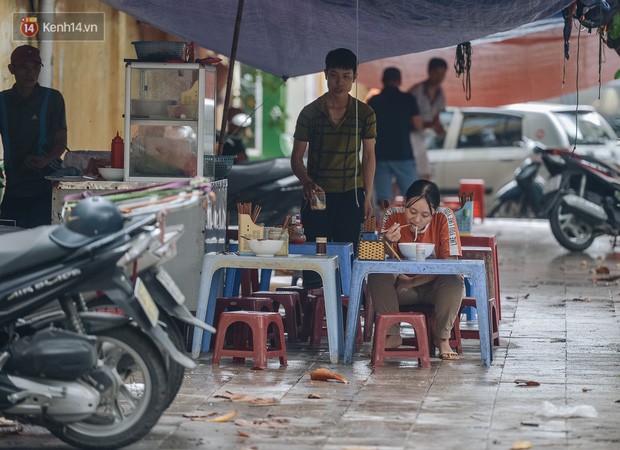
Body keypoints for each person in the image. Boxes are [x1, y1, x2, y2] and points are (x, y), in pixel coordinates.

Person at [291, 47, 376, 287]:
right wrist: (307, 182)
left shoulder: (365, 113)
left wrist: (368, 197)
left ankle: (346, 311)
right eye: (335, 75)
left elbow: (368, 157)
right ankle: (313, 310)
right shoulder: (309, 113)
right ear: (326, 74)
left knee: (348, 255)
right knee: (315, 257)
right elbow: (297, 158)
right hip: (317, 196)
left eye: (346, 76)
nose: (340, 82)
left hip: (352, 195)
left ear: (354, 78)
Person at [368, 179, 464, 360]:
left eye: (425, 215)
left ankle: (442, 338)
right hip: (401, 291)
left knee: (455, 280)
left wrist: (412, 281)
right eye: (411, 211)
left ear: (434, 212)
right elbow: (381, 260)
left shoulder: (445, 217)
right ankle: (392, 335)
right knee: (377, 274)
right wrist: (387, 242)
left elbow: (451, 263)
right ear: (404, 202)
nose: (417, 219)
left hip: (434, 289)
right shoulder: (392, 214)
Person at [0, 45, 67, 229]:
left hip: (46, 189)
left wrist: (46, 159)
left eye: (35, 67)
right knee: (8, 245)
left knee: (41, 247)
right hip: (14, 187)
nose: (30, 73)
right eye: (23, 67)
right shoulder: (2, 101)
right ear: (12, 69)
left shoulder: (52, 98)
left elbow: (61, 141)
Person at [368, 67, 422, 208]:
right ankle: (413, 227)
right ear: (400, 81)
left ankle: (387, 224)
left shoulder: (374, 101)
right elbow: (417, 124)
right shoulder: (408, 99)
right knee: (413, 196)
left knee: (384, 199)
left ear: (382, 81)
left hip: (380, 154)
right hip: (403, 153)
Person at [408, 57, 448, 180]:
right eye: (437, 73)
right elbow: (411, 121)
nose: (440, 77)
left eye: (442, 74)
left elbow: (436, 118)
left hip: (422, 136)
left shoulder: (440, 93)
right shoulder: (417, 91)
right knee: (411, 172)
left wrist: (439, 127)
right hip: (408, 136)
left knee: (424, 175)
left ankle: (417, 199)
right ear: (429, 72)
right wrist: (431, 125)